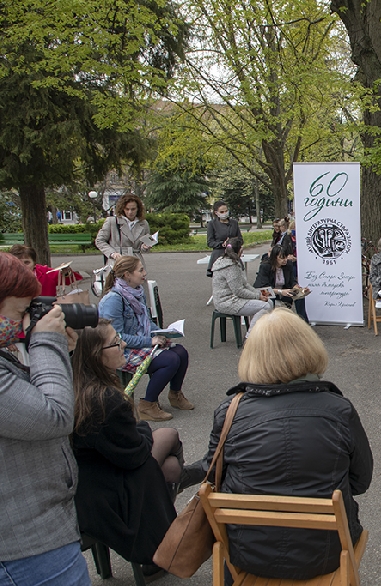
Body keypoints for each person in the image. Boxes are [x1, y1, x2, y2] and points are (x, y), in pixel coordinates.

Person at [189, 308, 372, 581]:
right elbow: (360, 482)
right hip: (325, 553)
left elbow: (214, 472)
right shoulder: (338, 410)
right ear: (309, 347)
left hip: (247, 555)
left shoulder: (230, 412)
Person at [0, 253, 91, 585]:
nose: (26, 320)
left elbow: (40, 394)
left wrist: (56, 350)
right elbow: (54, 416)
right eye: (21, 312)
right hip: (25, 547)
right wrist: (46, 341)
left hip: (36, 532)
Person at [70, 319, 179, 574]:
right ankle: (160, 544)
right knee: (169, 448)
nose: (124, 344)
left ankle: (178, 492)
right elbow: (136, 453)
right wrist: (140, 426)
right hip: (108, 494)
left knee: (168, 459)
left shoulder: (77, 386)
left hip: (87, 485)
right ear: (97, 355)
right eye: (116, 342)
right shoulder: (104, 399)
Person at [98, 256, 192, 422]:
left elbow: (147, 323)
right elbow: (117, 337)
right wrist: (150, 341)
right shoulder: (113, 299)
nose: (145, 273)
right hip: (121, 351)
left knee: (181, 352)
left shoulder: (137, 292)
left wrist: (163, 333)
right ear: (127, 275)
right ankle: (147, 405)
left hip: (138, 344)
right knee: (170, 359)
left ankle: (175, 394)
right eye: (140, 270)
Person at [212, 237, 273, 330]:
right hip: (227, 301)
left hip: (233, 297)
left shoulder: (229, 261)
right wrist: (258, 297)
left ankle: (261, 331)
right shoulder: (231, 266)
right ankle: (250, 336)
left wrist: (259, 294)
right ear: (240, 250)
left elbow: (245, 284)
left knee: (269, 301)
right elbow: (238, 291)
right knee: (265, 306)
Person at [95, 193, 154, 268]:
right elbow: (99, 241)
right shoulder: (112, 221)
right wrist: (112, 253)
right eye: (127, 209)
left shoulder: (143, 223)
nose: (130, 212)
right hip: (118, 261)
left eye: (133, 209)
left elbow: (143, 247)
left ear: (138, 209)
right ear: (122, 208)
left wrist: (145, 247)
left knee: (137, 279)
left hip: (136, 262)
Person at [253, 244, 309, 323]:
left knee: (300, 296)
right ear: (275, 258)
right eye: (282, 258)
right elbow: (263, 287)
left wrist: (299, 289)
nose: (285, 260)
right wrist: (280, 291)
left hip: (283, 292)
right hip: (265, 292)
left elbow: (291, 281)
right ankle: (270, 322)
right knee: (271, 298)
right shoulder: (265, 266)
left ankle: (304, 322)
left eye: (286, 257)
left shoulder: (288, 264)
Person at [8, 244, 83, 298]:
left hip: (46, 312)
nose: (23, 266)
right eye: (18, 262)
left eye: (27, 262)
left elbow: (73, 279)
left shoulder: (46, 273)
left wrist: (66, 272)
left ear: (34, 263)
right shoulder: (6, 276)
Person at [206, 200, 242, 277]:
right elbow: (210, 242)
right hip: (219, 254)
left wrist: (233, 243)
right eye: (222, 212)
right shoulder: (212, 224)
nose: (225, 213)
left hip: (233, 254)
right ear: (216, 213)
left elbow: (240, 239)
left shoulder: (234, 223)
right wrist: (222, 244)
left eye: (226, 211)